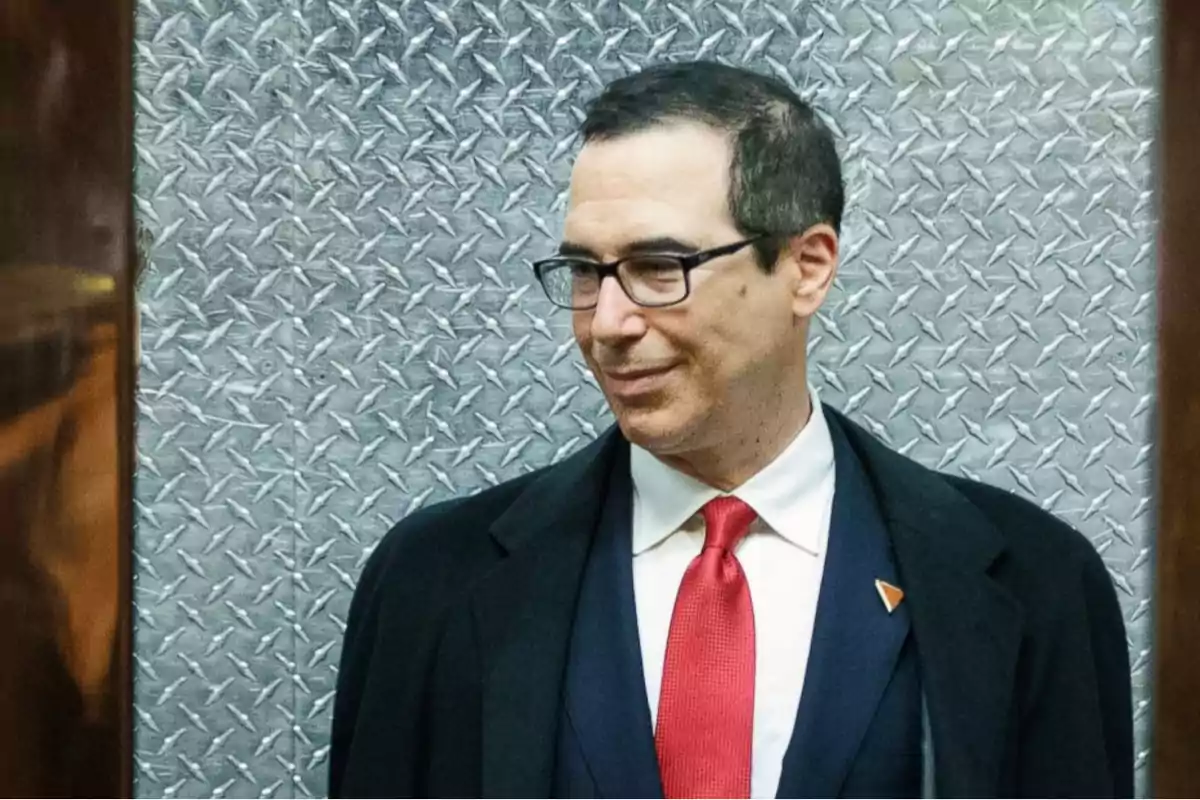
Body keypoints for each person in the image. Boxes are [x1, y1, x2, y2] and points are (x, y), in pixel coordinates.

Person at [328, 60, 1133, 799]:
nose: (608, 322)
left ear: (807, 266)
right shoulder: (432, 582)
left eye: (658, 268)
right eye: (584, 272)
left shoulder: (1028, 583)